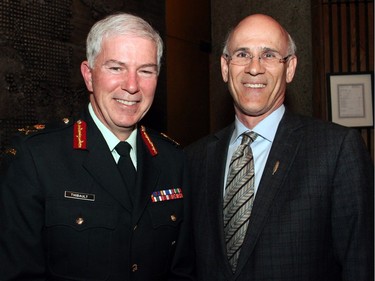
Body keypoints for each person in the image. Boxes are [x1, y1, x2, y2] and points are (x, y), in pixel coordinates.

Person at [0, 13, 195, 280]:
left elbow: (182, 270)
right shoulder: (36, 157)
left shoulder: (174, 161)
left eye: (146, 71)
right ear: (89, 76)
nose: (132, 86)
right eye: (116, 68)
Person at [185, 13, 373, 281]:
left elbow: (360, 264)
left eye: (269, 55)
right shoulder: (194, 159)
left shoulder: (336, 150)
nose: (254, 67)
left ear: (291, 67)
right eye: (242, 54)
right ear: (225, 68)